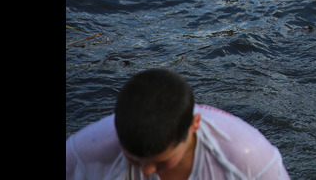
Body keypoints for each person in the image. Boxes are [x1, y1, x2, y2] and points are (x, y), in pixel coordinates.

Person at [66, 68, 289, 180]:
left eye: (162, 162)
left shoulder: (250, 158)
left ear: (194, 125)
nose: (147, 170)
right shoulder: (82, 152)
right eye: (133, 158)